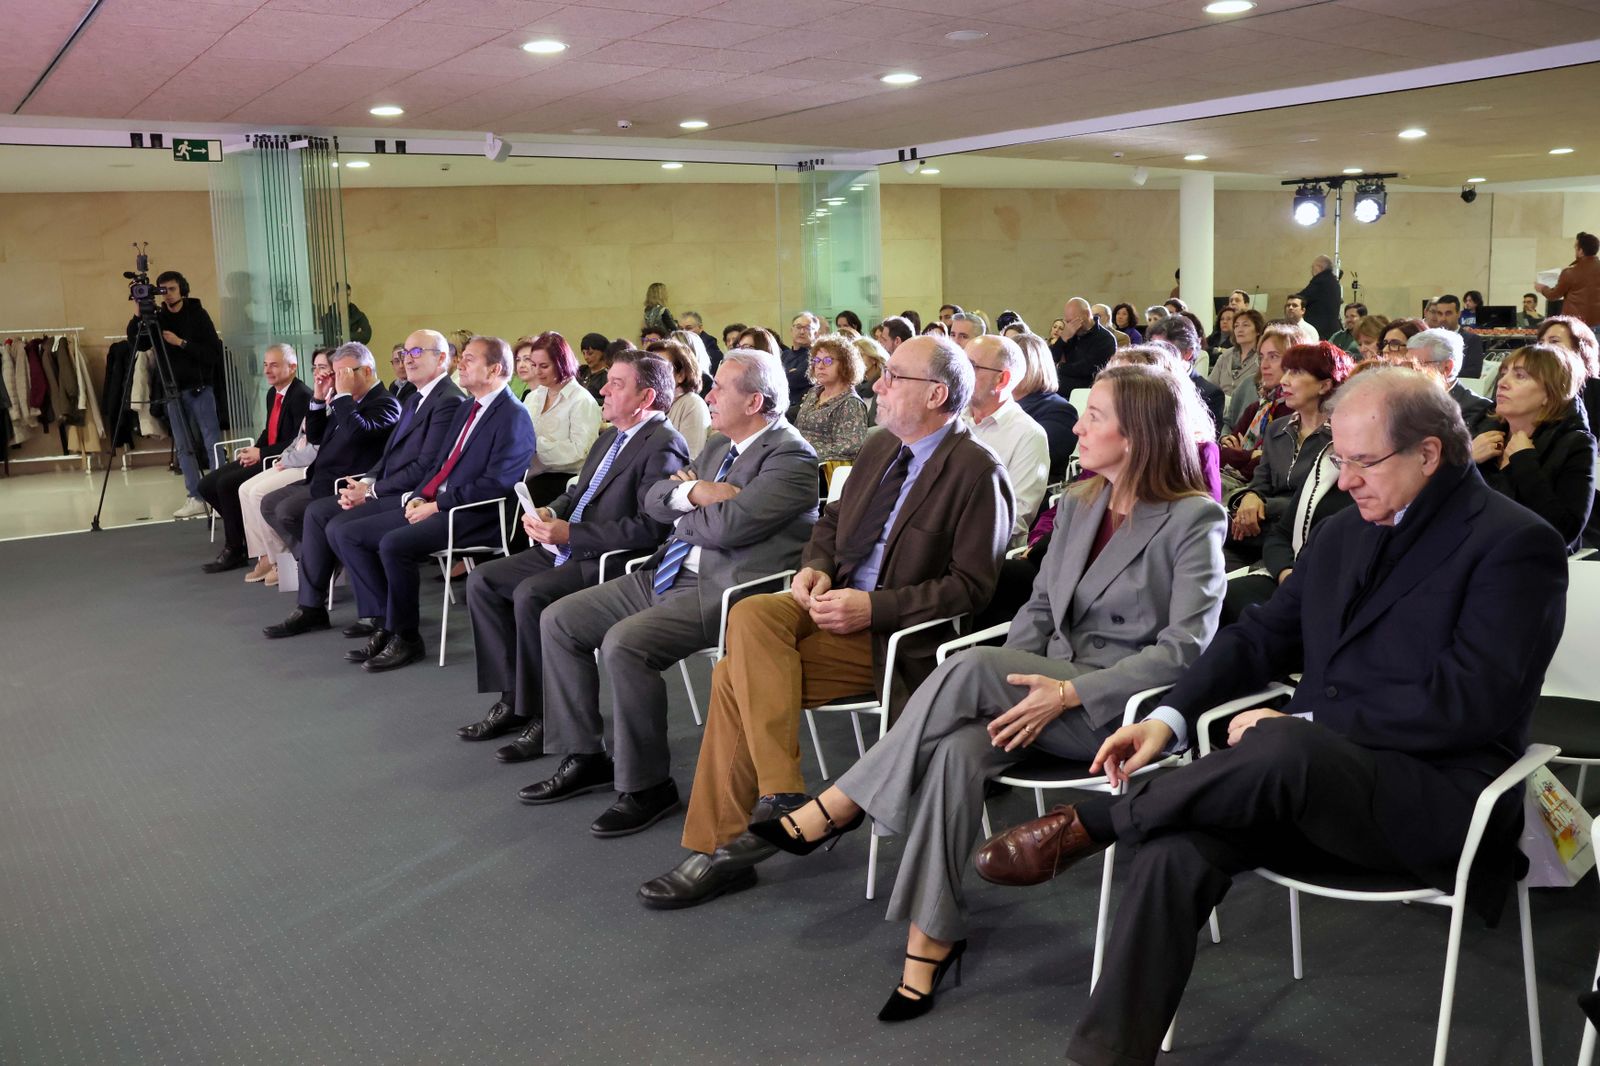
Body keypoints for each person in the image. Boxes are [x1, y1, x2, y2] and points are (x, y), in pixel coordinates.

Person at [972, 366, 1570, 1066]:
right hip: (1298, 781)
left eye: (1362, 461)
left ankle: (1101, 821)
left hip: (1432, 799)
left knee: (1284, 744)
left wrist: (1306, 728)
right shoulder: (1349, 530)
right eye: (1338, 460)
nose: (1344, 479)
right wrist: (1167, 719)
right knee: (1174, 847)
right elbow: (1257, 640)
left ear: (1430, 454)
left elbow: (1471, 702)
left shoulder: (1514, 543)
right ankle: (1106, 1056)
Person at [729, 365, 1226, 1019]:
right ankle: (931, 938)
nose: (1078, 425)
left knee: (966, 669)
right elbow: (1038, 616)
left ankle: (842, 803)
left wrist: (1067, 694)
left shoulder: (1194, 518)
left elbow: (1182, 650)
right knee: (957, 752)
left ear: (1136, 434)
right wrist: (1022, 680)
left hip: (1117, 713)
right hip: (1037, 691)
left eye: (1095, 416)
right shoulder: (1079, 504)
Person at [636, 335, 1014, 910]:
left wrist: (873, 607)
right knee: (754, 612)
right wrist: (813, 568)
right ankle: (783, 795)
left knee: (733, 678)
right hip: (827, 604)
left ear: (937, 394)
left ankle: (721, 849)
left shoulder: (976, 471)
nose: (879, 385)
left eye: (894, 378)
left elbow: (973, 589)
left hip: (892, 637)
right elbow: (830, 524)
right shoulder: (882, 445)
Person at [525, 350, 821, 837]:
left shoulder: (791, 458)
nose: (708, 395)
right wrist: (699, 493)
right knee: (560, 620)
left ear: (755, 401)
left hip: (723, 590)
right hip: (664, 571)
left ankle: (646, 786)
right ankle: (585, 755)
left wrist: (685, 502)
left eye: (720, 388)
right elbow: (654, 499)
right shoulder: (717, 447)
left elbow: (731, 528)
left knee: (625, 645)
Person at [456, 349, 690, 758]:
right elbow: (575, 493)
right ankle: (516, 698)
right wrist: (552, 512)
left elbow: (651, 528)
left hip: (609, 559)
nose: (603, 389)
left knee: (531, 594)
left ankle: (544, 715)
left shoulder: (664, 443)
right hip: (569, 545)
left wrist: (573, 532)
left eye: (616, 384)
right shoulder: (609, 438)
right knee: (484, 581)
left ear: (646, 397)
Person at [302, 336, 535, 671]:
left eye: (469, 359)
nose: (461, 364)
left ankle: (407, 636)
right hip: (441, 504)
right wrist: (419, 495)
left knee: (394, 544)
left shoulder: (513, 415)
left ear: (495, 369)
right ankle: (386, 622)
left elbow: (495, 485)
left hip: (476, 514)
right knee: (350, 533)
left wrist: (436, 505)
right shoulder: (470, 407)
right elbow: (440, 464)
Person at [266, 331, 466, 641]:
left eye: (417, 352)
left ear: (442, 359)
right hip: (368, 484)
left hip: (411, 495)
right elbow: (387, 456)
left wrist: (371, 490)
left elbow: (425, 466)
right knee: (317, 514)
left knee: (336, 525)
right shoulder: (416, 397)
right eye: (406, 352)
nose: (408, 358)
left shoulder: (434, 400)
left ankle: (379, 614)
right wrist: (366, 481)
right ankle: (312, 607)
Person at [259, 342, 401, 556]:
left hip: (343, 483)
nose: (338, 379)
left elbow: (357, 434)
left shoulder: (385, 403)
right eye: (336, 373)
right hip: (320, 477)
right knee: (268, 503)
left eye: (343, 373)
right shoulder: (345, 399)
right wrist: (318, 397)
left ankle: (319, 560)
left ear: (367, 371)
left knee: (286, 511)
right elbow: (316, 437)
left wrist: (342, 397)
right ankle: (312, 558)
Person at [198, 344, 310, 573]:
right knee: (206, 485)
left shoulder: (302, 396)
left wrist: (262, 454)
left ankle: (235, 548)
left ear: (292, 367)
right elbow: (269, 430)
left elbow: (294, 441)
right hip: (266, 454)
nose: (268, 371)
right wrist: (254, 449)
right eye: (266, 365)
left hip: (280, 460)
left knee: (226, 484)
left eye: (274, 365)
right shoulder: (273, 393)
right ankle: (242, 535)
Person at [1473, 343, 1596, 551]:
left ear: (1550, 392)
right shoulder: (1482, 430)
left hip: (1529, 560)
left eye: (1520, 376)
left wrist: (1525, 462)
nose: (1502, 383)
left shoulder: (1575, 443)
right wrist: (1466, 461)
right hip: (1474, 554)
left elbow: (1564, 532)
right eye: (1503, 373)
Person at [1229, 342, 1351, 550]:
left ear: (1324, 385)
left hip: (1308, 539)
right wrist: (1250, 496)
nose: (1284, 381)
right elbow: (1261, 482)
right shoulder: (1277, 428)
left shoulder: (1342, 436)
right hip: (1261, 529)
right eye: (1286, 372)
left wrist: (1264, 505)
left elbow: (1321, 504)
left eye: (1295, 373)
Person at [127, 269, 225, 519]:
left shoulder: (198, 315)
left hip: (200, 388)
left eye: (172, 289)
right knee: (183, 447)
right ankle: (194, 496)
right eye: (163, 290)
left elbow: (213, 352)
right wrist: (139, 314)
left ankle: (219, 494)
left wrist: (181, 343)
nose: (168, 294)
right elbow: (139, 344)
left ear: (182, 289)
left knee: (212, 442)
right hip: (173, 390)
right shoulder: (157, 318)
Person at [238, 347, 333, 585]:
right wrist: (286, 455)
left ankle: (282, 560)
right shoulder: (317, 398)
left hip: (307, 466)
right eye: (316, 368)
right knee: (245, 489)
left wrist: (286, 459)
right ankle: (265, 557)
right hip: (292, 459)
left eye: (323, 368)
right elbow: (298, 437)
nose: (318, 373)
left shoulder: (328, 399)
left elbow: (316, 448)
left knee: (261, 493)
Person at [965, 334, 1049, 544]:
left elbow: (1016, 519)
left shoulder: (1028, 435)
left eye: (971, 366)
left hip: (983, 553)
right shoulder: (951, 418)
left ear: (1002, 379)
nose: (959, 373)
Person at [519, 332, 601, 506]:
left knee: (525, 509)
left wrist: (534, 445)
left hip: (564, 479)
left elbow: (581, 452)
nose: (537, 372)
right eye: (534, 365)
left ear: (561, 363)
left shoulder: (581, 400)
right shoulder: (533, 397)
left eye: (544, 366)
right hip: (532, 473)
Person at [1219, 322, 1297, 484]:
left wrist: (1239, 457)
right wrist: (1249, 455)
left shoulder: (1294, 411)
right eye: (1261, 357)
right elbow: (1220, 454)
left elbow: (1263, 468)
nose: (1264, 365)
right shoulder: (1259, 407)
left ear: (1294, 360)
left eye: (1273, 356)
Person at [793, 333, 870, 464]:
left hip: (823, 470)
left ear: (846, 364)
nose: (820, 366)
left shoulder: (850, 403)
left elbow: (850, 447)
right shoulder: (813, 393)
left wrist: (806, 453)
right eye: (816, 361)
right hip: (798, 460)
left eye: (828, 361)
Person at [1011, 332, 1077, 481]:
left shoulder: (1060, 411)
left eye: (1010, 363)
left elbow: (1032, 458)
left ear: (1032, 367)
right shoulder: (995, 403)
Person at [1405, 328, 1494, 436]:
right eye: (1408, 365)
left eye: (1417, 366)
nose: (1408, 373)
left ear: (1447, 368)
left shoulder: (1478, 409)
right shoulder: (1407, 402)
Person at [1146, 315, 1223, 432]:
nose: (1155, 356)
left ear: (1188, 353)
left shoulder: (1209, 394)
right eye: (1153, 349)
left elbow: (1206, 442)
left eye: (1164, 350)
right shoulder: (1145, 384)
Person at [1535, 315, 1600, 436]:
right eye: (1540, 342)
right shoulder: (1526, 386)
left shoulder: (1596, 389)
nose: (1542, 347)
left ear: (1579, 348)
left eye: (1554, 341)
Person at [652, 339, 712, 456]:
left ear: (681, 375)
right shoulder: (650, 404)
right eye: (648, 367)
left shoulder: (692, 403)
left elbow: (690, 458)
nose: (652, 373)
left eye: (660, 368)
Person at [1536, 231, 1600, 327]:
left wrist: (1542, 288)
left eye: (1575, 248)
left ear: (1581, 251)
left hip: (1576, 324)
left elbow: (1554, 295)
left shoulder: (1570, 272)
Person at [1057, 297, 1118, 393]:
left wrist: (1059, 367)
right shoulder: (1069, 334)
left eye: (1073, 320)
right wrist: (1062, 340)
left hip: (1086, 392)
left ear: (1086, 314)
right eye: (1068, 322)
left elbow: (1087, 368)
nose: (1071, 325)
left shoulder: (1105, 338)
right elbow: (1049, 360)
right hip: (1060, 392)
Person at [1424, 295, 1486, 378]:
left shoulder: (1472, 340)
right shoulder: (1429, 339)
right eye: (1440, 314)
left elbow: (1473, 373)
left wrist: (1440, 372)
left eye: (1448, 313)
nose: (1443, 318)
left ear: (1459, 314)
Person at [1209, 308, 1265, 399]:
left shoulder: (1262, 356)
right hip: (1222, 407)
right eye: (1236, 326)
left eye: (1245, 325)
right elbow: (1211, 385)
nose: (1240, 329)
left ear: (1258, 330)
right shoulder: (1226, 355)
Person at [1292, 254, 1341, 339]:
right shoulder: (1333, 281)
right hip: (1330, 329)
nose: (1311, 270)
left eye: (1313, 267)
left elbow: (1302, 297)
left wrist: (1291, 299)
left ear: (1319, 267)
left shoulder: (1320, 280)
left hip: (1318, 329)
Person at [783, 312, 820, 401]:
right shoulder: (784, 355)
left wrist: (785, 375)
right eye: (798, 327)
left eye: (807, 328)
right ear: (791, 330)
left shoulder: (816, 356)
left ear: (815, 333)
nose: (802, 332)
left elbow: (794, 380)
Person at [852, 334, 889, 401]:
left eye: (860, 355)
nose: (855, 360)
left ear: (874, 359)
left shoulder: (886, 383)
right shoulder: (855, 386)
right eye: (853, 356)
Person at [577, 333, 610, 401]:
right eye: (584, 353)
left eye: (590, 353)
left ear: (603, 352)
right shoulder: (582, 371)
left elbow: (609, 400)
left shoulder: (607, 376)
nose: (586, 357)